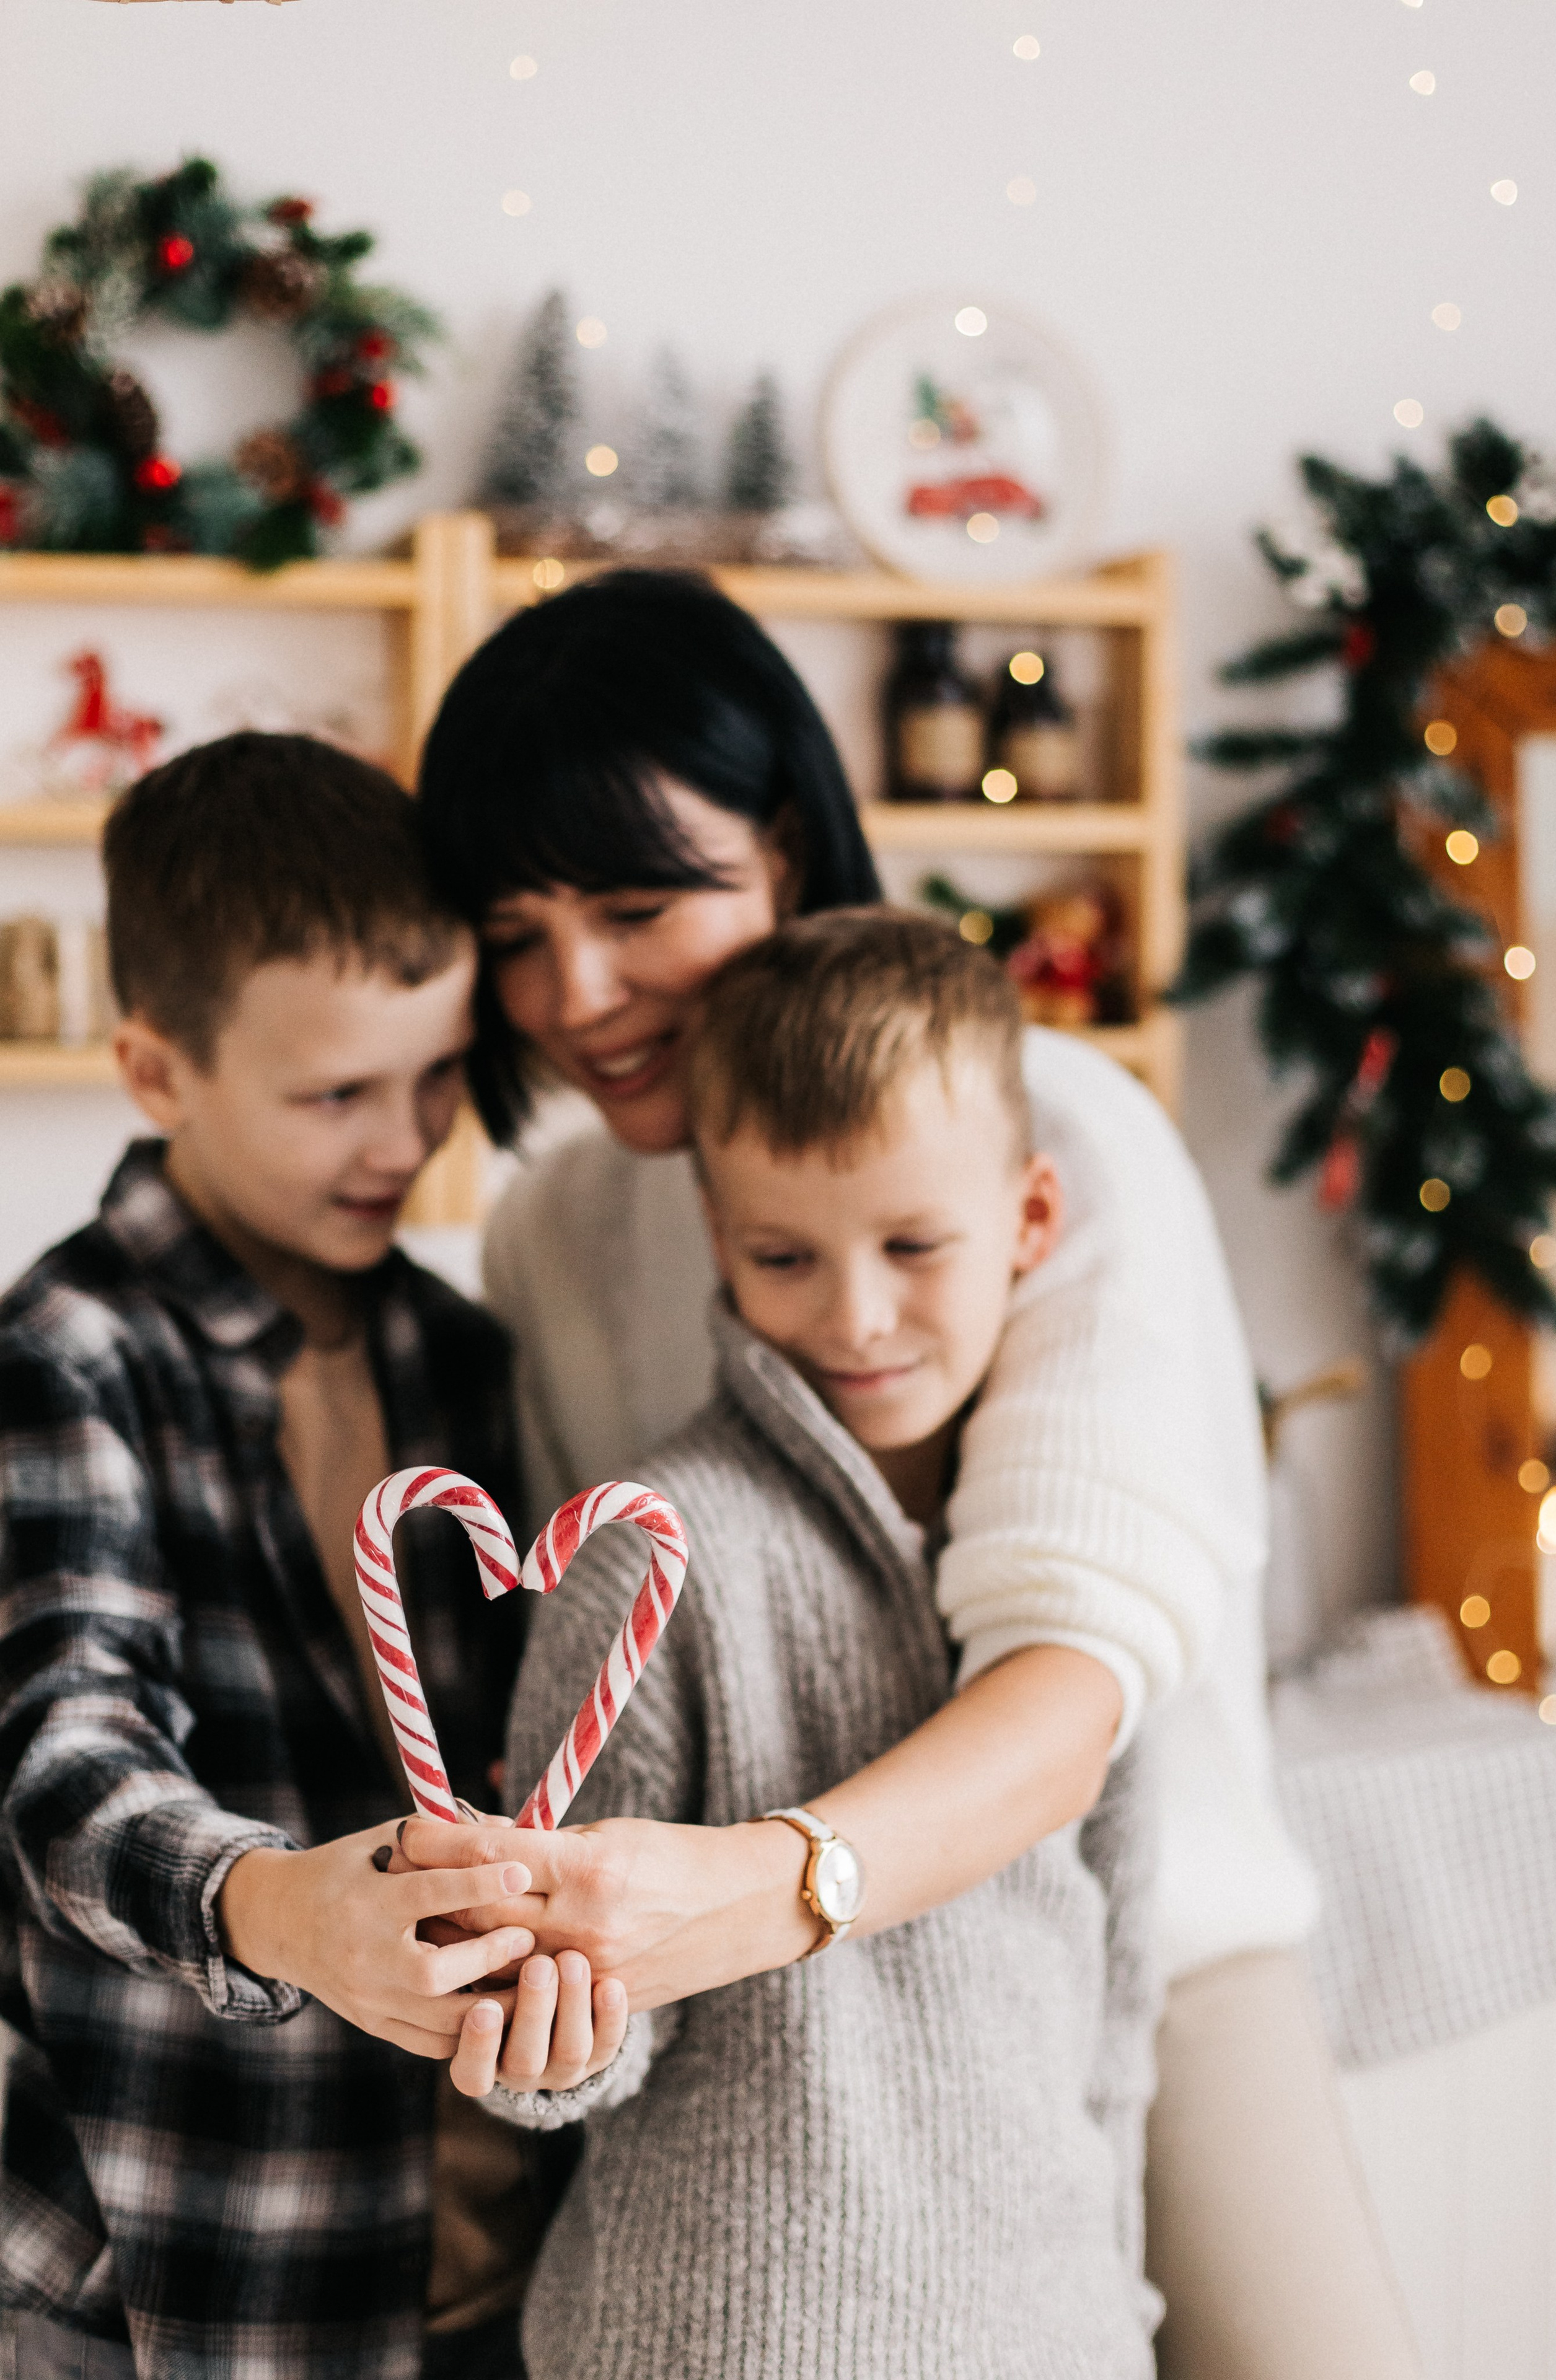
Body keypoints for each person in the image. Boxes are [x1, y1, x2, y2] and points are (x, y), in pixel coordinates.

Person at [412, 573, 1424, 2380]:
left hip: (1140, 1956)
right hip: (764, 2050)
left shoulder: (1058, 1134)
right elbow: (618, 1667)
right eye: (515, 930)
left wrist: (756, 1881)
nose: (578, 990)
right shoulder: (554, 1227)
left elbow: (1068, 1682)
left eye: (641, 905)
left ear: (788, 846)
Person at [458, 910, 1163, 2379]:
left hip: (1047, 2327)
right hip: (711, 2335)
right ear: (718, 1232)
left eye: (913, 1245)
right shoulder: (652, 1550)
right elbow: (580, 2036)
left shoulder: (1080, 1545)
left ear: (1030, 1219)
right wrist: (542, 2036)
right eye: (784, 1254)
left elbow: (1116, 1986)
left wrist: (1118, 2293)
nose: (855, 1315)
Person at [0, 734, 602, 2380]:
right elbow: (60, 1753)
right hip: (182, 2263)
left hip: (480, 2244)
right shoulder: (67, 1354)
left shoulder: (465, 1355)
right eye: (334, 1093)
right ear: (156, 1070)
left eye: (433, 1077)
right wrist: (273, 1907)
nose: (402, 1142)